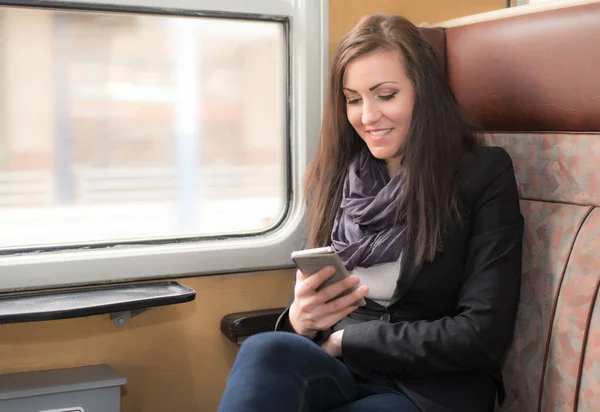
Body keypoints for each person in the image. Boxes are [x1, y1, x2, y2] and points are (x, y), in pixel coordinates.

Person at [217, 13, 523, 412]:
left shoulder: (482, 174)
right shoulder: (337, 177)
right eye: (353, 99)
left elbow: (481, 335)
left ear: (423, 93)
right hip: (342, 372)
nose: (367, 116)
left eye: (386, 94)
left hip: (428, 390)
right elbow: (312, 319)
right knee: (264, 348)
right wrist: (299, 320)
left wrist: (348, 341)